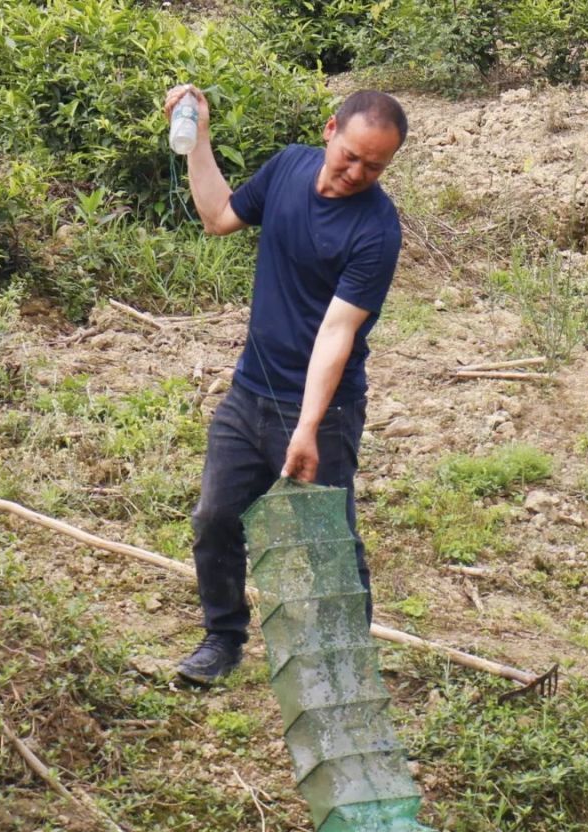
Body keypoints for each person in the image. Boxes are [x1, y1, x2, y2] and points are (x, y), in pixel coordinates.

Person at [162, 84, 407, 684]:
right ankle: (222, 640)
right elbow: (219, 217)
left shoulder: (377, 231)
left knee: (326, 541)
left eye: (374, 166)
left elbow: (336, 333)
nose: (356, 172)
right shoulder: (289, 167)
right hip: (251, 391)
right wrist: (200, 140)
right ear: (330, 130)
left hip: (326, 408)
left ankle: (344, 663)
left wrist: (307, 428)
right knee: (216, 517)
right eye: (350, 155)